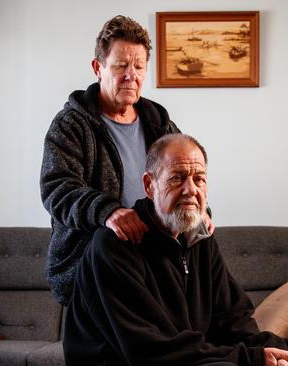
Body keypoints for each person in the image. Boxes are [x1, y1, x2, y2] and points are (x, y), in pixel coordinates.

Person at [64, 133, 288, 366]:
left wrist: (266, 350)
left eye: (199, 179)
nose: (190, 190)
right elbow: (148, 350)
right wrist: (250, 359)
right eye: (177, 177)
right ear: (149, 185)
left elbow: (233, 317)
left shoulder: (199, 236)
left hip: (184, 353)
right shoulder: (114, 246)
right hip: (134, 360)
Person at [40, 15, 213, 306]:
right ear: (99, 68)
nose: (130, 75)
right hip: (93, 269)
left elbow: (186, 176)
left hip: (152, 267)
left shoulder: (161, 125)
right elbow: (57, 189)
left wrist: (201, 212)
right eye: (120, 65)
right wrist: (108, 211)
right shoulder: (71, 124)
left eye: (138, 66)